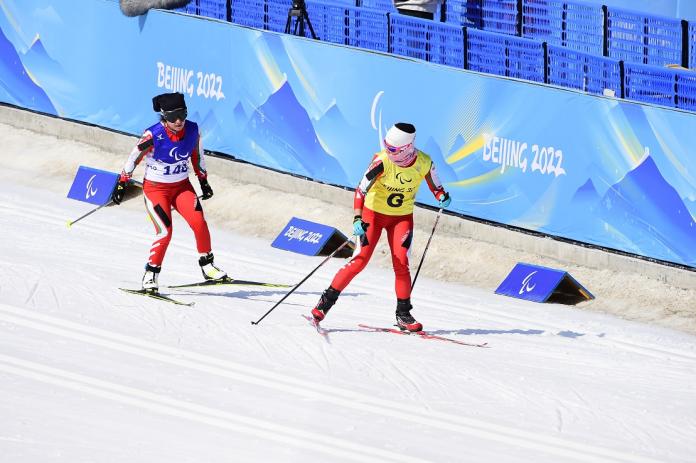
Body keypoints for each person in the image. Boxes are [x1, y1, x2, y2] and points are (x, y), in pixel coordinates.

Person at [311, 122, 451, 332]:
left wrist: (441, 196)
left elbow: (436, 186)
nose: (388, 151)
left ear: (407, 147)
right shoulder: (382, 161)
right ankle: (325, 303)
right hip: (373, 215)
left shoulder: (424, 162)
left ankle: (403, 314)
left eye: (393, 149)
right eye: (387, 146)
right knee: (360, 259)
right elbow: (360, 190)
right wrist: (357, 219)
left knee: (401, 263)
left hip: (401, 217)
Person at [111, 91, 227, 292]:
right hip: (157, 190)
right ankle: (150, 274)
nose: (179, 120)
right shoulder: (153, 134)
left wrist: (203, 181)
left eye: (182, 114)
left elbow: (197, 156)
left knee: (199, 223)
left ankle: (207, 266)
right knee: (165, 232)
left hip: (182, 187)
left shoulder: (193, 130)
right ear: (164, 116)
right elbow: (134, 158)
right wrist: (122, 182)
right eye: (173, 116)